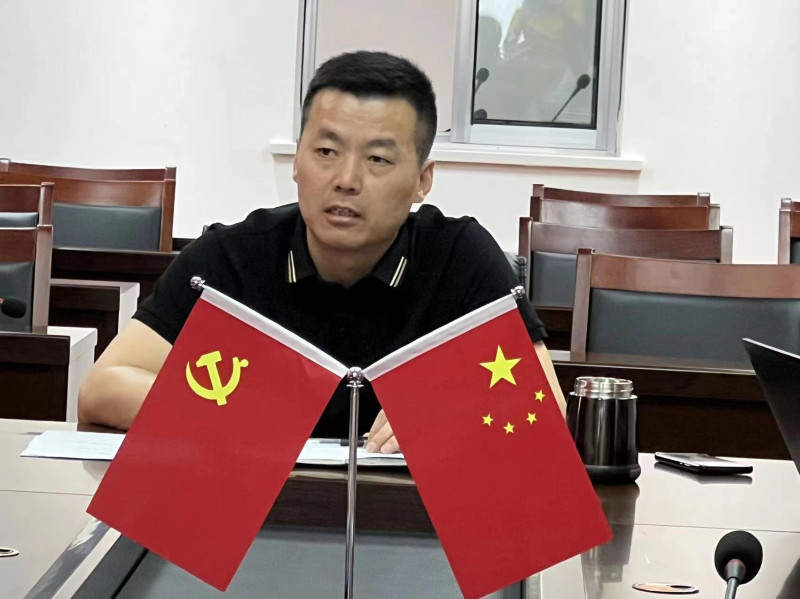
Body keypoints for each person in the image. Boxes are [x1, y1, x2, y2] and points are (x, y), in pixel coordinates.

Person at [78, 50, 564, 453]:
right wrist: (234, 413)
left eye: (377, 158)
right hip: (252, 515)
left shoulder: (459, 258)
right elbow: (104, 388)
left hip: (405, 520)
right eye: (326, 152)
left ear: (422, 180)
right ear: (296, 161)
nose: (346, 180)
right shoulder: (231, 258)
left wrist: (449, 416)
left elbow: (545, 407)